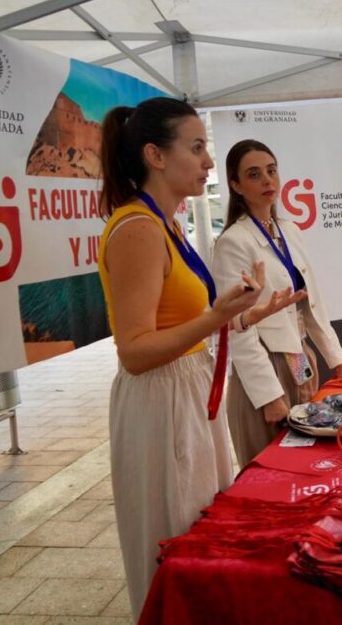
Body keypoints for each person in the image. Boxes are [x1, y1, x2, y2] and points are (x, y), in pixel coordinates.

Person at [97, 98, 299, 619]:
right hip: (161, 402)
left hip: (188, 394)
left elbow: (184, 330)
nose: (209, 161)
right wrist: (216, 319)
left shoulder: (168, 225)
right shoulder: (137, 228)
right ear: (154, 156)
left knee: (199, 529)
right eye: (197, 147)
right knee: (173, 539)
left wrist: (248, 314)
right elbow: (134, 351)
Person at [211, 139, 342, 467]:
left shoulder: (289, 230)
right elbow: (236, 327)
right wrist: (268, 395)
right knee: (269, 470)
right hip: (265, 365)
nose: (267, 181)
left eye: (271, 171)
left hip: (300, 361)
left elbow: (309, 303)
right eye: (254, 174)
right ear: (235, 185)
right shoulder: (233, 242)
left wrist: (336, 358)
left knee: (305, 462)